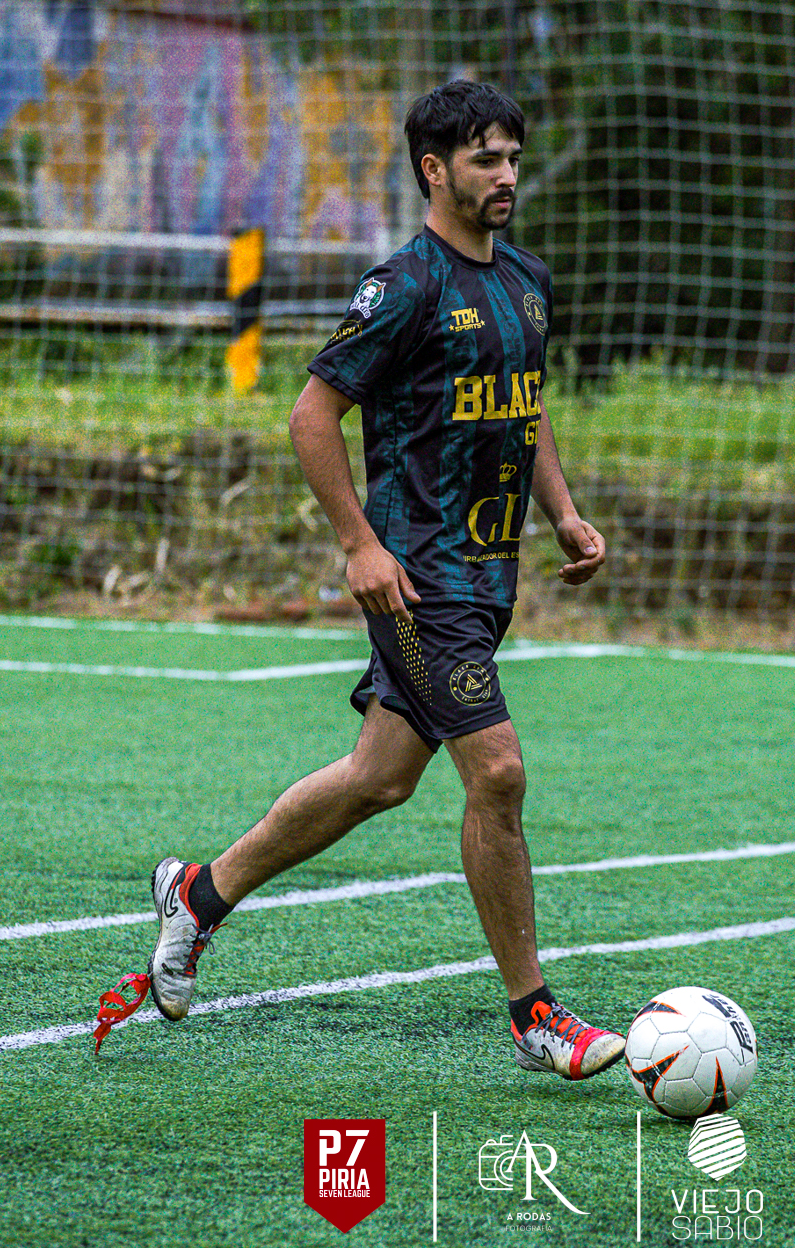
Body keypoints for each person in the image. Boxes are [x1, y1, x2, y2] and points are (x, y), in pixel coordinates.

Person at [140, 81, 624, 1080]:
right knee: (498, 772)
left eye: (514, 157)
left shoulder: (527, 281)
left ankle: (199, 894)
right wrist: (360, 545)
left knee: (380, 778)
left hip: (487, 579)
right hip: (420, 583)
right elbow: (311, 416)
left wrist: (564, 511)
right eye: (486, 159)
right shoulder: (402, 287)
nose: (507, 175)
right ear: (433, 170)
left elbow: (523, 407)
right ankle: (535, 1014)